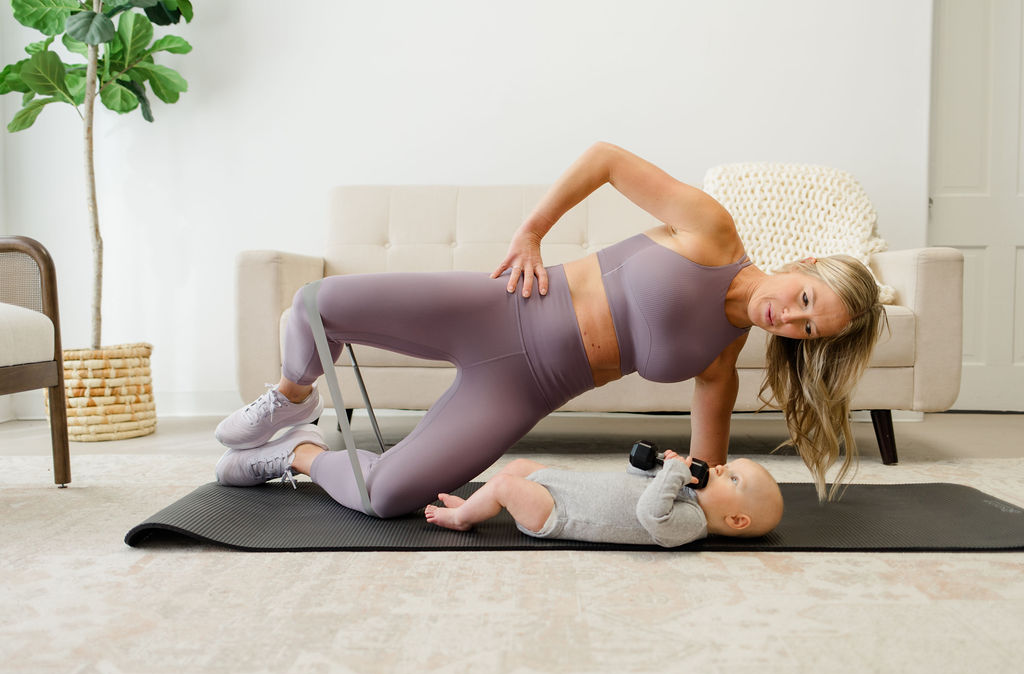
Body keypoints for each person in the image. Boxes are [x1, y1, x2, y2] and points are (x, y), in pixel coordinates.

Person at [215, 141, 886, 517]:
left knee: (385, 495)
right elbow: (606, 159)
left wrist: (716, 498)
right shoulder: (712, 230)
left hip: (522, 392)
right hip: (504, 307)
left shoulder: (722, 356)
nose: (789, 317)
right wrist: (533, 230)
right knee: (312, 304)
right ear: (800, 264)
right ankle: (292, 396)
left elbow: (703, 470)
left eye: (806, 328)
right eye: (804, 297)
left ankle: (295, 454)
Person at [423, 452, 784, 547]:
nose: (719, 468)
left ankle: (463, 518)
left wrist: (673, 475)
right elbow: (635, 484)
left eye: (732, 477)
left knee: (505, 485)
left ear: (737, 519)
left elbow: (649, 513)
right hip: (567, 487)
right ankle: (475, 505)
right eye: (727, 465)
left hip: (559, 513)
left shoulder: (693, 525)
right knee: (518, 467)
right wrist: (660, 469)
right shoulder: (686, 492)